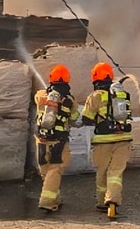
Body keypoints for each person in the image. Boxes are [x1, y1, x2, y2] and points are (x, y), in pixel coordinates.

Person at [81, 62, 132, 219]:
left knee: (102, 171)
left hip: (103, 141)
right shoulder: (123, 95)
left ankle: (103, 202)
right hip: (123, 139)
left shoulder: (95, 96)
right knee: (116, 173)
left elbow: (86, 119)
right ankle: (113, 201)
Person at [34, 64, 79, 213]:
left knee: (45, 170)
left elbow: (37, 100)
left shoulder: (41, 95)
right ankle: (47, 201)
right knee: (56, 169)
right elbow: (74, 119)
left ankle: (55, 199)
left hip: (41, 139)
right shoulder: (70, 100)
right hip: (58, 140)